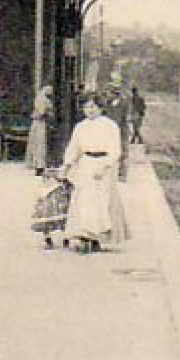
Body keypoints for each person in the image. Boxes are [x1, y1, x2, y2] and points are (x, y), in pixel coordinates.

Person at [62, 95, 129, 253]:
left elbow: (115, 150)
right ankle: (85, 235)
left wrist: (105, 167)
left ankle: (98, 236)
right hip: (86, 164)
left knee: (101, 202)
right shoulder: (80, 127)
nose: (90, 111)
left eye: (93, 107)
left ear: (100, 108)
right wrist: (67, 165)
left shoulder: (110, 126)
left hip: (103, 166)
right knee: (84, 200)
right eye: (87, 107)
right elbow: (74, 148)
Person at [26, 85, 54, 176]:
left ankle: (38, 165)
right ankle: (39, 167)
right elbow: (42, 112)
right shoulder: (42, 99)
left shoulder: (41, 97)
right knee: (40, 145)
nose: (51, 92)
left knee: (37, 145)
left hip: (38, 123)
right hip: (40, 123)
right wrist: (48, 113)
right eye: (49, 90)